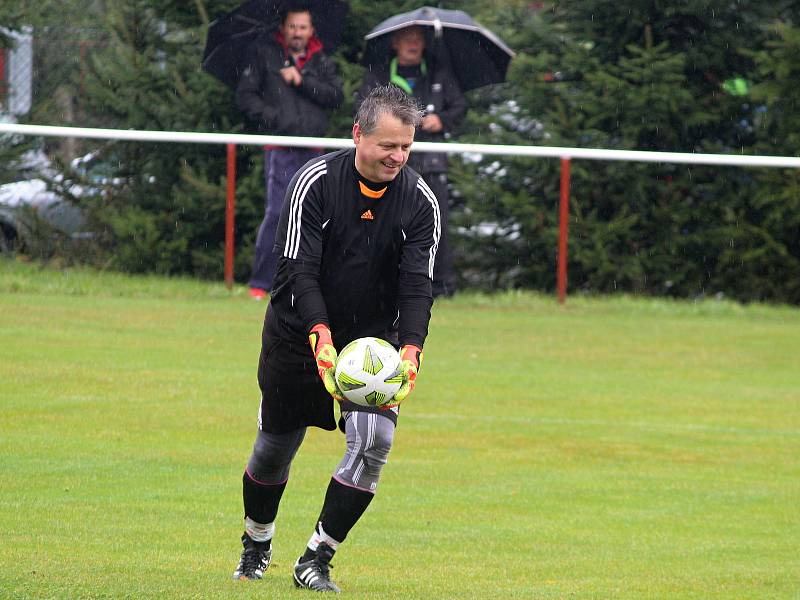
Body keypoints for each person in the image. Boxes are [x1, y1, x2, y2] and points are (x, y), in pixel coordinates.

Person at [231, 85, 439, 593]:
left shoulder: (420, 201)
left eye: (406, 147)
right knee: (275, 449)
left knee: (375, 443)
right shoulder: (314, 183)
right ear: (357, 135)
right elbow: (299, 272)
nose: (397, 157)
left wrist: (411, 349)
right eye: (387, 145)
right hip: (296, 333)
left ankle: (317, 558)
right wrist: (320, 335)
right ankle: (257, 542)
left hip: (372, 343)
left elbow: (417, 286)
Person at [236, 3, 344, 299]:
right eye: (293, 26)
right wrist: (276, 119)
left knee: (319, 215)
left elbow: (336, 96)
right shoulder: (265, 55)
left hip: (314, 148)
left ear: (311, 31)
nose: (298, 32)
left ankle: (313, 283)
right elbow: (246, 97)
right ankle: (261, 284)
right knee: (276, 213)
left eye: (303, 27)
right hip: (280, 147)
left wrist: (302, 81)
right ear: (284, 28)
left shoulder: (321, 61)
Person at [357, 25, 466, 298]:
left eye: (417, 39)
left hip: (432, 163)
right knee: (384, 224)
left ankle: (440, 286)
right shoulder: (378, 76)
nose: (413, 44)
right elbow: (363, 111)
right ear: (395, 43)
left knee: (434, 224)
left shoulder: (439, 72)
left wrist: (441, 119)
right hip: (390, 168)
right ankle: (381, 281)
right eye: (407, 39)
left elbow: (459, 105)